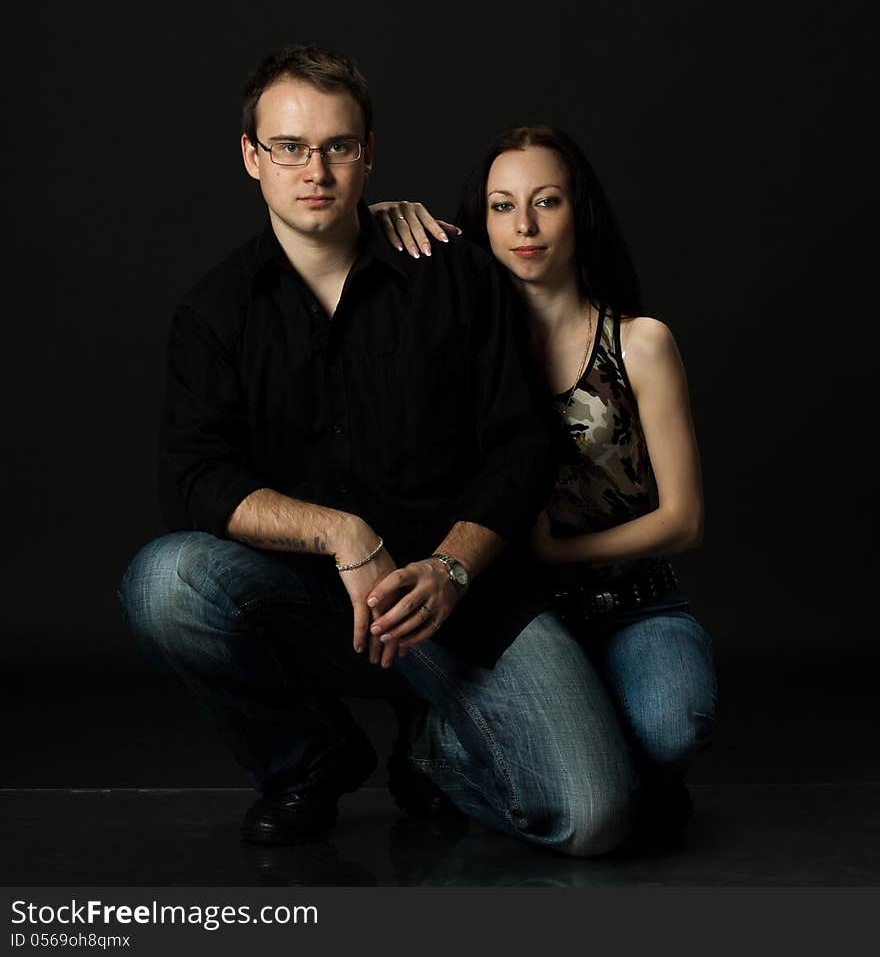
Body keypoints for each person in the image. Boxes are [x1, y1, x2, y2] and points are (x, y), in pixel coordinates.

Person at [119, 48, 640, 856]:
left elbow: (520, 442)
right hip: (316, 603)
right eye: (290, 147)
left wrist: (453, 567)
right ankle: (309, 762)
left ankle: (431, 744)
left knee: (594, 814)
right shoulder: (215, 312)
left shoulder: (454, 272)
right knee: (165, 580)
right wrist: (340, 533)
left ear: (369, 153)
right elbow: (195, 477)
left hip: (462, 602)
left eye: (337, 146)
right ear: (252, 157)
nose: (314, 169)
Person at [372, 125, 717, 834]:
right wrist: (375, 217)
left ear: (579, 212)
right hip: (522, 616)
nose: (523, 225)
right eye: (501, 206)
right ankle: (457, 752)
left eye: (546, 201)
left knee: (672, 728)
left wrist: (558, 551)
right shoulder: (470, 351)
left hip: (635, 606)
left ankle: (595, 772)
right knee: (603, 783)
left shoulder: (639, 343)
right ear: (480, 222)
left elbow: (684, 519)